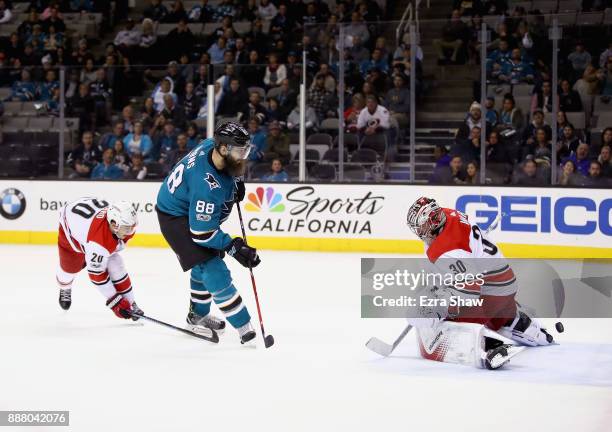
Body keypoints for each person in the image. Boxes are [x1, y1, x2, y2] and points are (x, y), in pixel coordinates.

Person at [405, 197, 554, 368]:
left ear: (433, 222)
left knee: (451, 319)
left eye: (421, 226)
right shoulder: (447, 215)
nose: (418, 232)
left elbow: (470, 294)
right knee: (498, 312)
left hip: (488, 290)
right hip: (504, 283)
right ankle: (518, 322)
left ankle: (489, 347)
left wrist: (437, 310)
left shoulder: (447, 249)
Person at [155, 121, 259, 344]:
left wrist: (236, 180)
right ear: (223, 149)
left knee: (203, 261)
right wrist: (234, 246)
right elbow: (202, 234)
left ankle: (197, 316)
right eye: (240, 151)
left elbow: (225, 171)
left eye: (245, 150)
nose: (244, 155)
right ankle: (244, 327)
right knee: (212, 267)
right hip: (177, 218)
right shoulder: (206, 187)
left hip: (185, 205)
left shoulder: (213, 144)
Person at [56, 199, 142, 321]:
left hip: (90, 231)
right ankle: (65, 287)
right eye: (126, 228)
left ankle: (132, 302)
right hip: (70, 233)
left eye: (132, 227)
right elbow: (97, 276)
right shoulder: (98, 244)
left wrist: (128, 303)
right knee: (68, 270)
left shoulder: (116, 225)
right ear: (113, 224)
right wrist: (115, 302)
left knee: (115, 263)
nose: (130, 232)